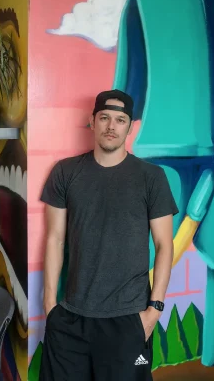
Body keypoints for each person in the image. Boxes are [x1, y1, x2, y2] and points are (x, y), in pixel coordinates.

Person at [39, 89, 179, 380]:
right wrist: (50, 306)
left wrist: (154, 311)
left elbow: (165, 245)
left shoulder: (151, 177)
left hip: (129, 319)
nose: (111, 126)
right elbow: (54, 238)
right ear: (92, 121)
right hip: (71, 317)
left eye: (120, 119)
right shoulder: (65, 172)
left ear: (129, 126)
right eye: (104, 118)